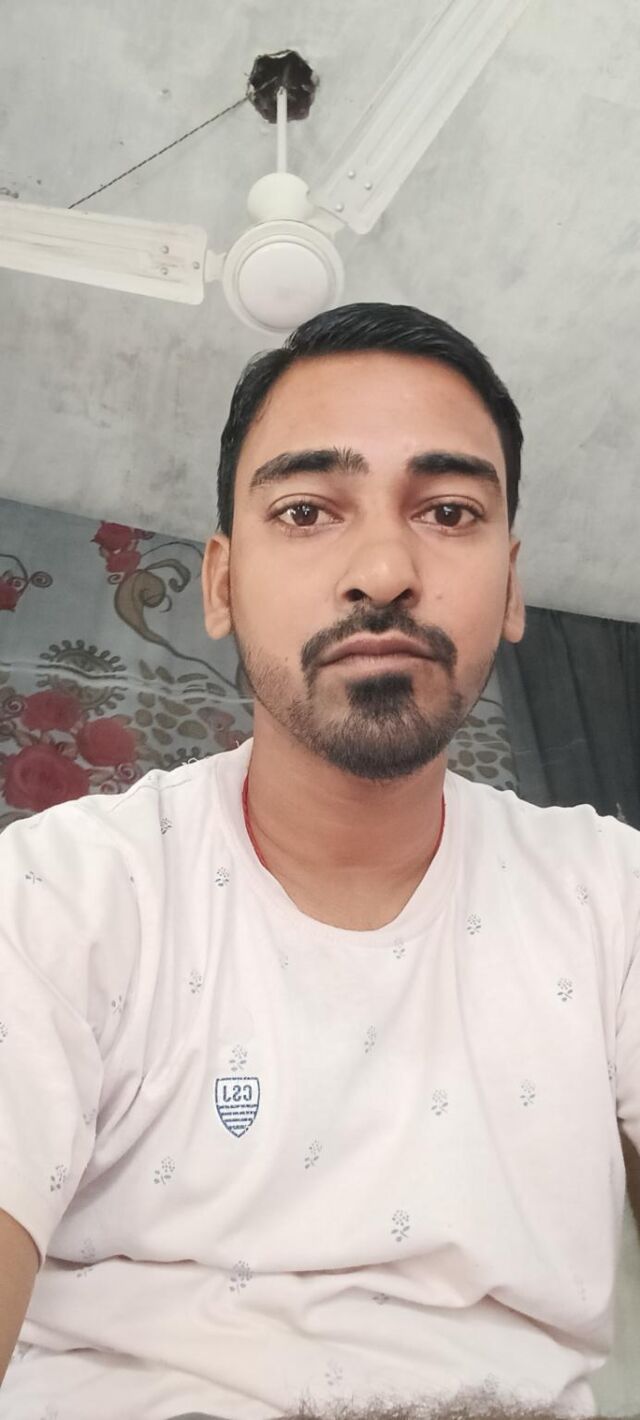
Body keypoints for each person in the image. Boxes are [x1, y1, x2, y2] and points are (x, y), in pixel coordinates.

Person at [0, 302, 639, 1420]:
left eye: (448, 512)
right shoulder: (59, 894)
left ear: (511, 586)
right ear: (221, 583)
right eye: (305, 510)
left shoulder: (612, 897)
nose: (384, 569)